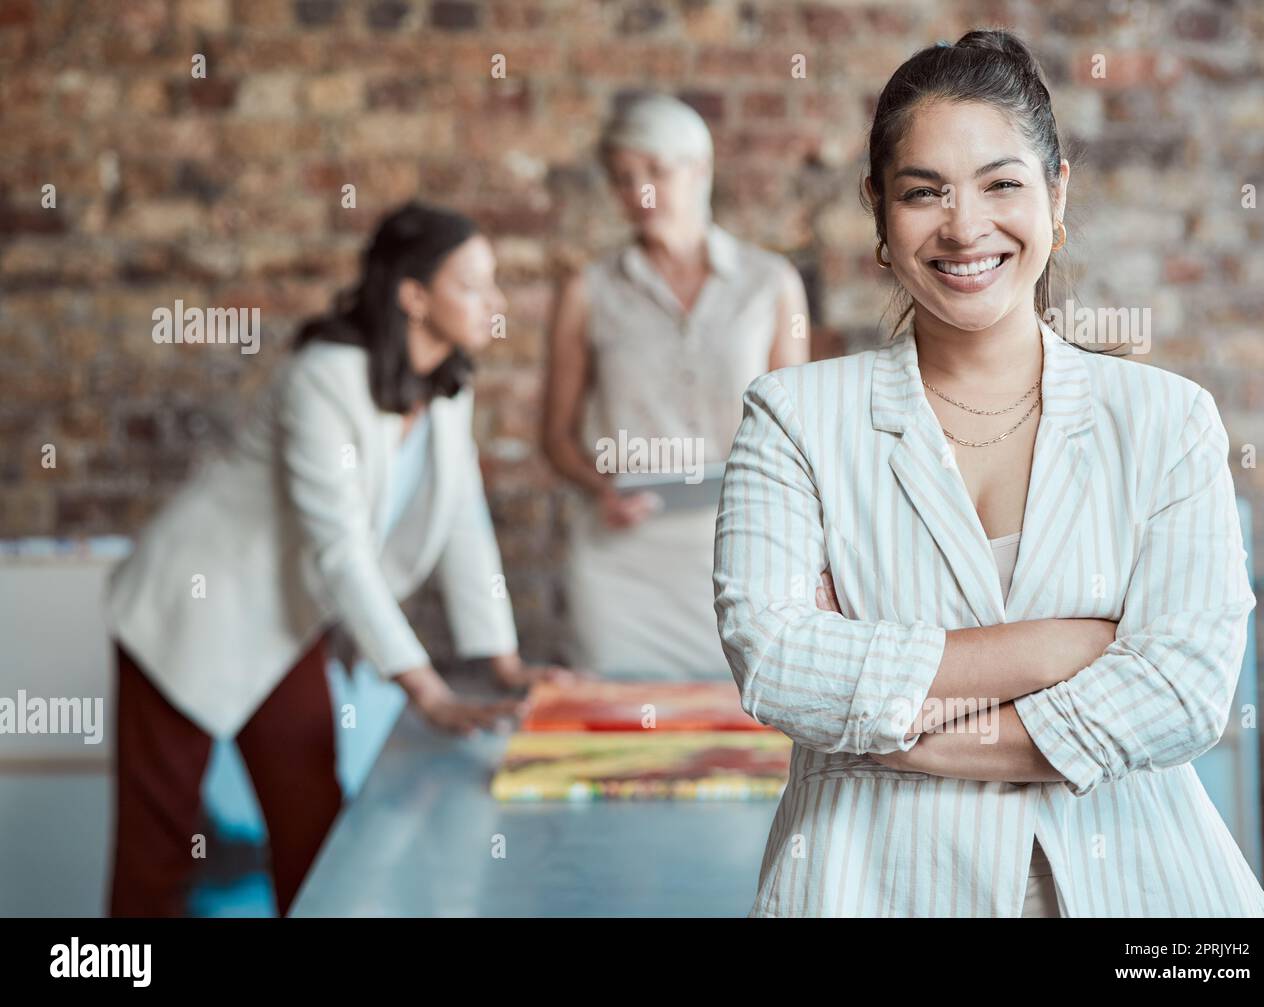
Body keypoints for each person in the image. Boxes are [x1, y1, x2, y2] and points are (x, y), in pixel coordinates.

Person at [713, 30, 1264, 918]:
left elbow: (1182, 691)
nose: (965, 226)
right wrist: (1062, 646)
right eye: (923, 191)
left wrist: (881, 732)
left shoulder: (1168, 421)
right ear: (878, 213)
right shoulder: (793, 417)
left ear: (1057, 194)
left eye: (1001, 183)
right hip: (870, 885)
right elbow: (776, 661)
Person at [104, 202, 569, 916]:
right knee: (157, 850)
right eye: (474, 285)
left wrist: (500, 659)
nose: (496, 303)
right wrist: (428, 690)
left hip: (283, 620)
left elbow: (463, 523)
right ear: (414, 296)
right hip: (187, 609)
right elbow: (341, 549)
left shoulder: (448, 385)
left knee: (314, 830)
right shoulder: (325, 376)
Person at [544, 92, 810, 681]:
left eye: (656, 173)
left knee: (742, 743)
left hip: (741, 555)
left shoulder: (771, 284)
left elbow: (799, 435)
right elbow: (556, 435)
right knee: (612, 741)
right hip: (621, 560)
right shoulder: (587, 291)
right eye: (623, 178)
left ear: (700, 170)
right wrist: (600, 485)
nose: (639, 193)